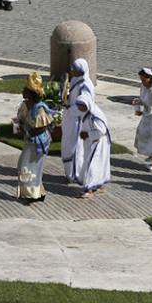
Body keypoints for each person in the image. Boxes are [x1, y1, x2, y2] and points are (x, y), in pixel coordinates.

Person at [13, 72, 54, 203]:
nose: (22, 91)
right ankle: (37, 192)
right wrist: (19, 126)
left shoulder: (40, 108)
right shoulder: (25, 105)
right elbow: (20, 119)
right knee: (30, 167)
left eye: (25, 89)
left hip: (38, 142)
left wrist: (26, 131)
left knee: (26, 166)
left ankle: (31, 194)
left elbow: (41, 127)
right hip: (30, 140)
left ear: (31, 93)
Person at [61, 58, 94, 184]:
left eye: (75, 70)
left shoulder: (86, 85)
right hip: (71, 119)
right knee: (67, 145)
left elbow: (85, 105)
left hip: (79, 121)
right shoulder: (76, 80)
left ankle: (75, 174)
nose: (72, 72)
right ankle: (69, 172)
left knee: (74, 148)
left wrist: (71, 107)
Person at [75, 93, 111, 198]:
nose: (80, 108)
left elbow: (102, 131)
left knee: (92, 164)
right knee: (97, 164)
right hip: (92, 142)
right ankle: (99, 185)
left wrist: (88, 134)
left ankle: (89, 188)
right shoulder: (87, 112)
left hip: (98, 143)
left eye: (82, 106)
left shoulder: (95, 115)